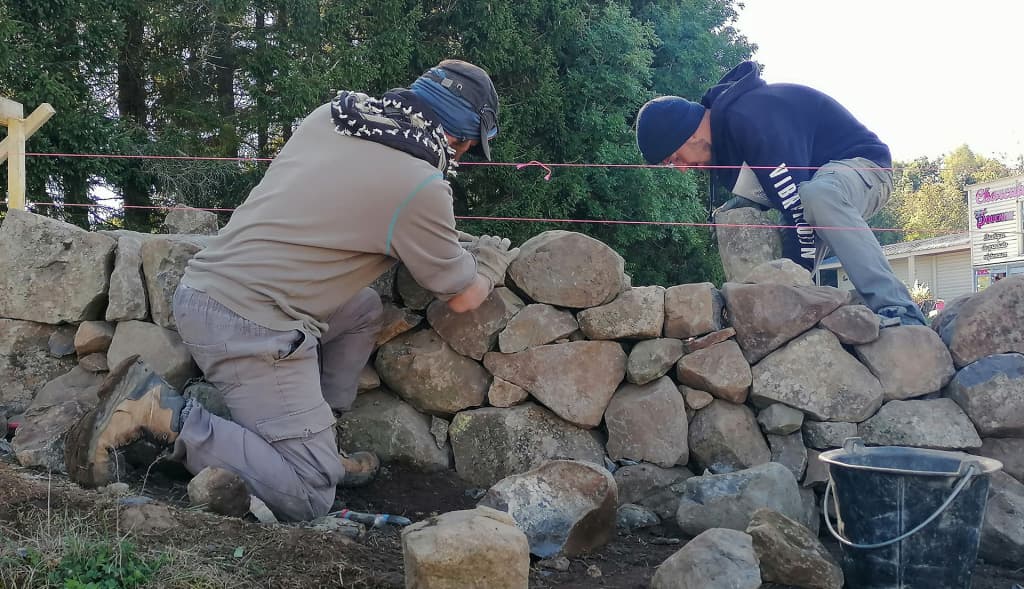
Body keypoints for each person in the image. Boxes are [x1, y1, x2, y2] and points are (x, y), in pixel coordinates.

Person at [65, 60, 517, 522]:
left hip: (205, 288)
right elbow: (462, 296)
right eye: (464, 150)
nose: (459, 159)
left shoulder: (333, 117)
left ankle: (318, 435)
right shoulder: (420, 185)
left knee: (361, 309)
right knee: (307, 495)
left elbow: (341, 203)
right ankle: (157, 413)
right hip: (252, 326)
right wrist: (490, 263)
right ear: (457, 138)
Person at [635, 60, 926, 327]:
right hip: (814, 187)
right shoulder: (725, 152)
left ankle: (898, 308)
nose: (682, 169)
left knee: (818, 196)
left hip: (864, 169)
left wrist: (791, 280)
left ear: (688, 133)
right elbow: (786, 199)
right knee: (741, 213)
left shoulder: (750, 119)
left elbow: (797, 211)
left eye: (676, 158)